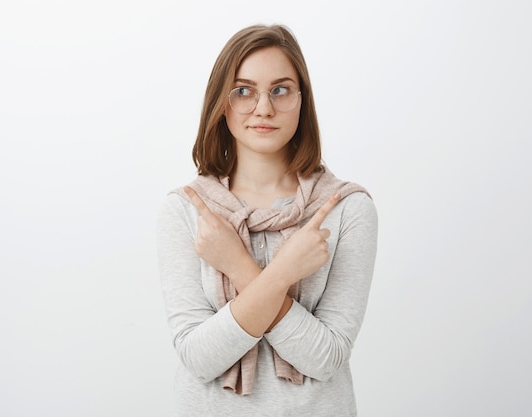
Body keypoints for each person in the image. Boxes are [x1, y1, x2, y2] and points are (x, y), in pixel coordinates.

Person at [157, 23, 378, 417]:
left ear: (301, 100)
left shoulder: (347, 208)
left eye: (280, 89)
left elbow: (325, 358)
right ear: (221, 103)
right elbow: (199, 359)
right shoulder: (187, 209)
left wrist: (239, 267)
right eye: (243, 91)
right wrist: (282, 273)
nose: (263, 108)